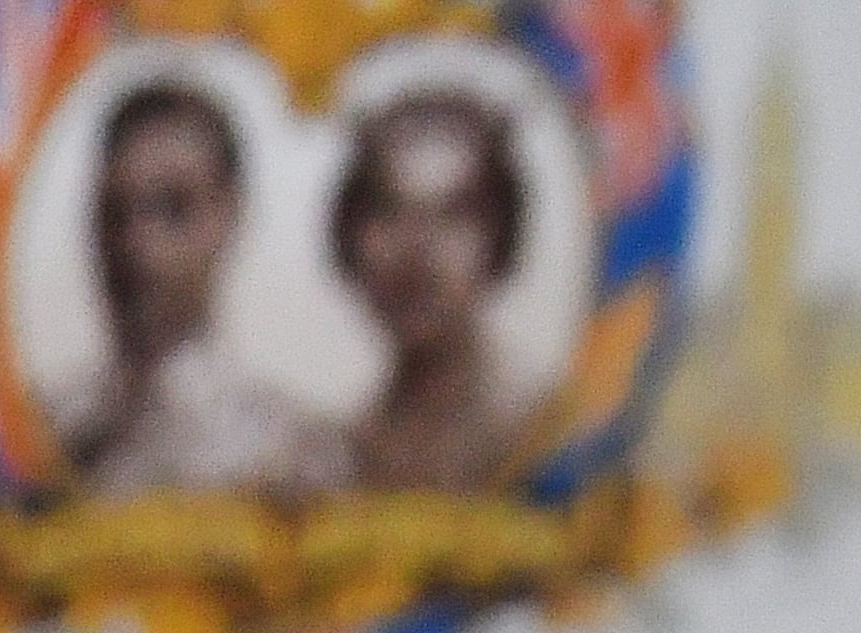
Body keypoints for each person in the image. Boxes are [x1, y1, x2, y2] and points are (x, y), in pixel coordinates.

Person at [45, 75, 345, 497]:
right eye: (116, 213)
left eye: (173, 209)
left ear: (229, 213)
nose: (137, 244)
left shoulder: (288, 450)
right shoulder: (40, 429)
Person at [332, 85, 547, 493]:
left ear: (501, 241)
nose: (416, 249)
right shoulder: (348, 445)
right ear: (348, 237)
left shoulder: (541, 429)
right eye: (389, 210)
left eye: (453, 215)